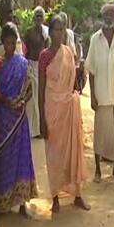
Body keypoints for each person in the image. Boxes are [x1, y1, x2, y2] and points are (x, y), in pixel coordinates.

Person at [39, 15, 90, 213]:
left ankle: (77, 195)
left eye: (62, 30)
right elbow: (41, 88)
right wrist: (42, 119)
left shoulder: (69, 52)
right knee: (54, 155)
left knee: (73, 152)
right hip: (52, 110)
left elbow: (74, 80)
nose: (59, 33)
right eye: (55, 30)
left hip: (68, 109)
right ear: (50, 32)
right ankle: (55, 198)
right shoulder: (44, 56)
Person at [0, 23, 38, 218]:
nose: (10, 47)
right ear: (2, 44)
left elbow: (29, 90)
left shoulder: (22, 63)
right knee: (3, 159)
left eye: (13, 43)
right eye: (7, 43)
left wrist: (21, 102)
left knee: (22, 158)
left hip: (19, 118)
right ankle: (3, 201)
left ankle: (21, 204)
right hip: (3, 119)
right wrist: (6, 101)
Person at [86, 3, 114, 183]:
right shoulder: (96, 39)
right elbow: (91, 70)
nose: (109, 17)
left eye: (112, 14)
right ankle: (97, 170)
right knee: (100, 135)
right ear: (103, 17)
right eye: (107, 15)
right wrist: (92, 96)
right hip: (101, 95)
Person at [23, 6, 49, 138]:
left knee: (40, 97)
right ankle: (30, 129)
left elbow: (48, 50)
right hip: (30, 65)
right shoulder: (28, 32)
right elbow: (25, 49)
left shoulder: (46, 33)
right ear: (34, 18)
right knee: (31, 98)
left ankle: (39, 128)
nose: (39, 18)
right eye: (37, 16)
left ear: (43, 18)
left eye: (41, 16)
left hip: (42, 67)